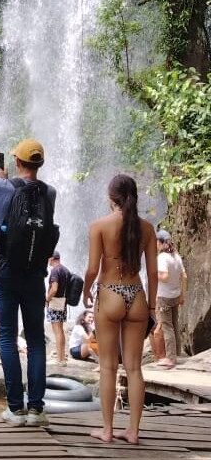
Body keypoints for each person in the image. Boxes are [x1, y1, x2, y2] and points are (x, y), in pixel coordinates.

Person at [0, 139, 56, 427]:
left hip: (4, 272)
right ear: (41, 164)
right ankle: (37, 410)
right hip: (35, 274)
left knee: (7, 336)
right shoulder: (50, 193)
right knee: (36, 340)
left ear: (17, 161)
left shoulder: (2, 188)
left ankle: (15, 409)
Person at [82, 174, 157, 444]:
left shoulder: (99, 226)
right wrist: (152, 307)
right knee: (134, 368)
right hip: (136, 295)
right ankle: (133, 431)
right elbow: (152, 273)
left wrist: (85, 290)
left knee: (108, 366)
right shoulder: (147, 228)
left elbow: (93, 268)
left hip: (110, 293)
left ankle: (107, 430)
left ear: (111, 197)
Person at [154, 229, 187, 369]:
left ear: (161, 243)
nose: (155, 244)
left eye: (156, 242)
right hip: (175, 295)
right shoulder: (176, 256)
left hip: (165, 297)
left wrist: (153, 273)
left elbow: (165, 276)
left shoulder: (162, 258)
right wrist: (183, 295)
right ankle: (176, 354)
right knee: (174, 325)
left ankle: (171, 358)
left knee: (167, 327)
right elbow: (184, 276)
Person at [46, 251, 71, 364]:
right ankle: (62, 358)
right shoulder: (66, 270)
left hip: (55, 302)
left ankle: (60, 360)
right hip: (63, 302)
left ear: (52, 258)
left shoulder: (55, 270)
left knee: (57, 331)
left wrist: (47, 299)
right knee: (60, 330)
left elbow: (54, 288)